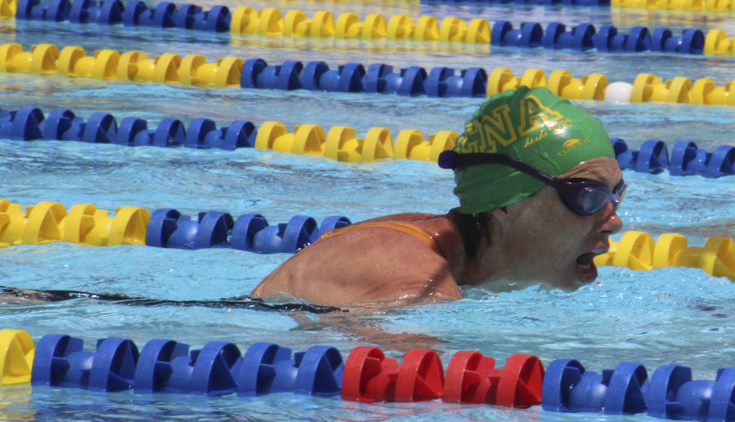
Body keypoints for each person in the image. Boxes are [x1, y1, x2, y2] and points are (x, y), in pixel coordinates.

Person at [252, 86, 625, 308]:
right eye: (588, 195)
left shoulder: (444, 254)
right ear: (505, 203)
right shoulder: (417, 283)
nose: (615, 220)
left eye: (616, 195)